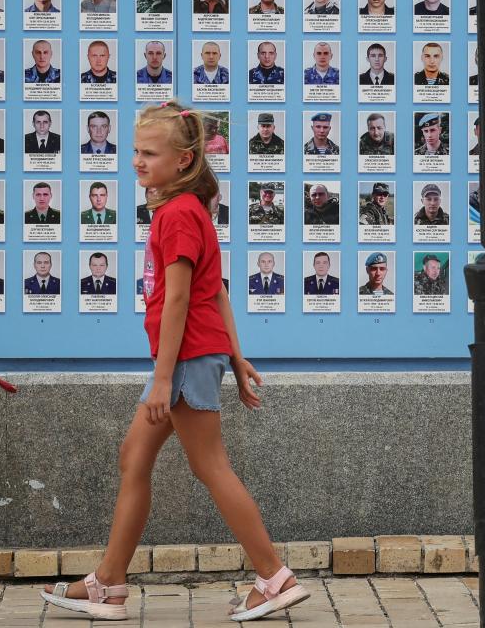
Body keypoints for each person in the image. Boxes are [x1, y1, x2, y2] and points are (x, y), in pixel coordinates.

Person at [43, 102, 308, 618]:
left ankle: (275, 576)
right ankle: (109, 584)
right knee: (134, 456)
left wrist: (164, 380)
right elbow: (220, 295)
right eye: (135, 151)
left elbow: (183, 301)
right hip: (193, 356)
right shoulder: (187, 211)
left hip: (183, 360)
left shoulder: (180, 214)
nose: (137, 161)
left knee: (210, 467)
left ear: (184, 161)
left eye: (148, 153)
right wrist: (235, 356)